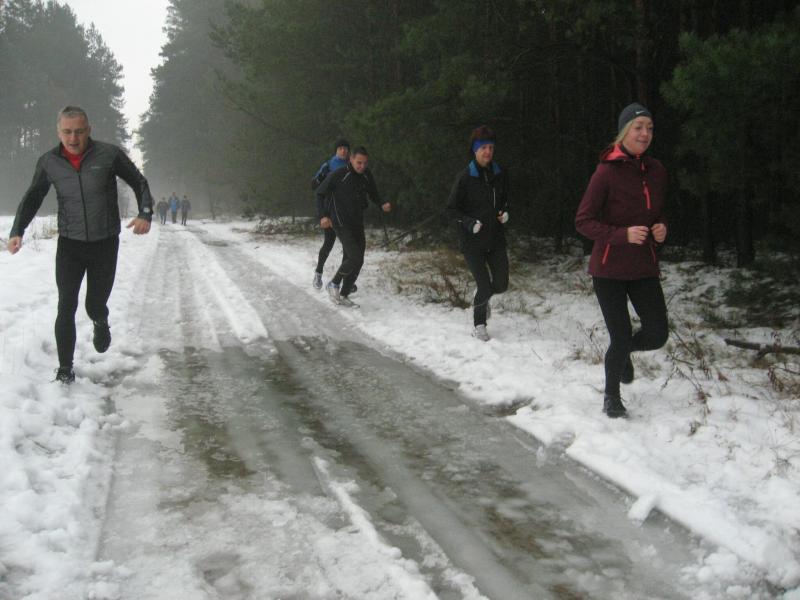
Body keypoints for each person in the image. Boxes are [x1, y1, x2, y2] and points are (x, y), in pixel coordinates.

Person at [6, 105, 153, 384]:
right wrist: (17, 231)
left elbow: (139, 181)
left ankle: (100, 319)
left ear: (89, 130)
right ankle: (65, 370)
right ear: (58, 132)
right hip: (70, 245)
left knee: (94, 304)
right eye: (67, 132)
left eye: (79, 132)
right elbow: (33, 196)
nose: (73, 138)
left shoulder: (109, 155)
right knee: (66, 305)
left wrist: (145, 212)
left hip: (104, 244)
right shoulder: (49, 162)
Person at [575, 102, 669, 418]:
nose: (645, 134)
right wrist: (621, 235)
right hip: (609, 269)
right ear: (624, 131)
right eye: (638, 127)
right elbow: (583, 221)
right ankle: (611, 397)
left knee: (657, 334)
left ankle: (624, 352)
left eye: (649, 128)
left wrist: (662, 227)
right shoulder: (606, 172)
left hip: (643, 266)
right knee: (620, 336)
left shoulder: (656, 171)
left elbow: (659, 212)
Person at [446, 126, 510, 342]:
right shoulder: (465, 177)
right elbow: (451, 209)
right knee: (484, 285)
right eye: (483, 148)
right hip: (472, 242)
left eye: (491, 147)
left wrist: (505, 212)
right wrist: (469, 222)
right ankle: (479, 325)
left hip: (495, 239)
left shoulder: (500, 173)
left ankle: (482, 296)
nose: (488, 152)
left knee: (501, 284)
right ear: (475, 150)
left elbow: (506, 200)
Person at [316, 146, 391, 307]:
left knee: (358, 259)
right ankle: (334, 284)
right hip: (340, 221)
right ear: (351, 159)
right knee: (354, 256)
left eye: (365, 163)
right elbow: (320, 193)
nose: (362, 166)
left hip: (357, 220)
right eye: (359, 163)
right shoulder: (339, 174)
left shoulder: (366, 175)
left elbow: (373, 193)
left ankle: (344, 294)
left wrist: (382, 203)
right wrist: (323, 216)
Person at [311, 138, 350, 290]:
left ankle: (344, 280)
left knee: (348, 247)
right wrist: (322, 215)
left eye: (345, 148)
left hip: (346, 212)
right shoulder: (329, 165)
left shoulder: (352, 164)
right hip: (330, 211)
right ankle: (318, 273)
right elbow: (314, 186)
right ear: (336, 150)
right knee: (328, 244)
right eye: (340, 148)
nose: (343, 150)